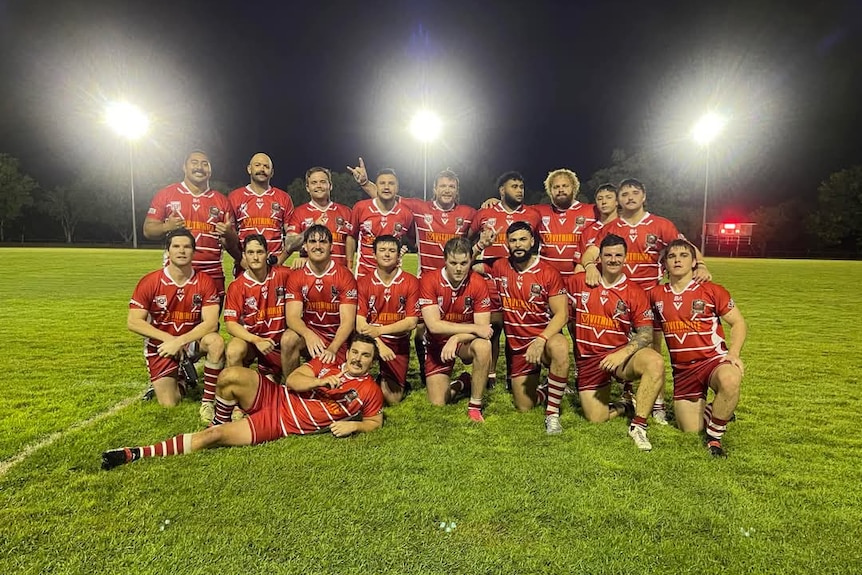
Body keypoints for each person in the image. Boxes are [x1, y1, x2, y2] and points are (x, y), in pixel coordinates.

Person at [100, 334, 384, 470]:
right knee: (229, 375)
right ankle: (220, 417)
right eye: (355, 352)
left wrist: (354, 426)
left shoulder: (369, 389)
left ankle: (134, 453)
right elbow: (294, 381)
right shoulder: (327, 363)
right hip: (277, 395)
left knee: (212, 437)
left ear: (372, 361)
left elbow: (374, 421)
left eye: (365, 356)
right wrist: (320, 382)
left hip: (279, 422)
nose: (358, 359)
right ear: (348, 352)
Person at [578, 178, 711, 423]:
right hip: (618, 296)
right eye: (624, 194)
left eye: (634, 192)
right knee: (620, 345)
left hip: (651, 297)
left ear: (644, 196)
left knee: (653, 349)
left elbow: (686, 247)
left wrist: (700, 264)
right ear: (619, 200)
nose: (630, 197)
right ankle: (627, 394)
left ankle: (657, 404)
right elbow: (591, 253)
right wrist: (589, 266)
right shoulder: (611, 227)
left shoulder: (660, 224)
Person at [351, 160, 477, 388]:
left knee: (465, 331)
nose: (447, 190)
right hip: (427, 282)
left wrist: (492, 202)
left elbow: (482, 227)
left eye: (452, 186)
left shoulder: (469, 213)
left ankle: (483, 371)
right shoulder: (419, 208)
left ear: (457, 190)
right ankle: (424, 370)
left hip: (457, 282)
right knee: (420, 332)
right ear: (435, 189)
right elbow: (388, 195)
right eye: (443, 186)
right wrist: (365, 183)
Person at [567, 234, 666, 451]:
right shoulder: (578, 282)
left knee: (655, 362)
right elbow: (565, 315)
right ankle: (625, 406)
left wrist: (622, 353)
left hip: (621, 357)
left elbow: (646, 333)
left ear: (625, 257)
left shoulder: (635, 292)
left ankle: (638, 425)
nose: (613, 260)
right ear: (600, 258)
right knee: (596, 418)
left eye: (618, 255)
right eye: (608, 255)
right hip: (589, 361)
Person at [650, 239, 746, 457]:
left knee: (730, 378)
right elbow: (655, 338)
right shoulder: (656, 295)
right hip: (683, 371)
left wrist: (733, 354)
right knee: (691, 430)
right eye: (672, 256)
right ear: (665, 264)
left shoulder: (712, 290)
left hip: (713, 361)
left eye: (684, 256)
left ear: (694, 262)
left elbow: (738, 322)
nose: (677, 260)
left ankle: (714, 439)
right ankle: (719, 409)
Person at [475, 222, 570, 434]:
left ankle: (552, 414)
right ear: (507, 244)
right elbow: (466, 265)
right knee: (524, 406)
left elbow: (562, 314)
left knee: (560, 346)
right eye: (513, 240)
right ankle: (551, 388)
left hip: (544, 340)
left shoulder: (548, 272)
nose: (518, 244)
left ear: (532, 241)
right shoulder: (499, 266)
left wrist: (541, 340)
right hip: (519, 348)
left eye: (523, 239)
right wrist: (480, 245)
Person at [127, 229, 225, 412]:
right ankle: (181, 382)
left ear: (194, 252)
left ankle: (208, 401)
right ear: (167, 251)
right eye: (176, 246)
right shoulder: (150, 281)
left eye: (187, 247)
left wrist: (179, 341)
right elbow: (133, 321)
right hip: (162, 345)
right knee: (170, 403)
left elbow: (211, 323)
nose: (181, 251)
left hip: (191, 341)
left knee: (216, 342)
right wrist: (169, 340)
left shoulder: (205, 281)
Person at [470, 171, 542, 389]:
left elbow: (540, 243)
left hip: (519, 278)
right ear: (502, 190)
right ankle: (490, 374)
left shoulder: (533, 214)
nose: (519, 190)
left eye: (521, 186)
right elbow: (468, 237)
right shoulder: (485, 213)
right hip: (490, 276)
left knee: (515, 328)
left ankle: (514, 375)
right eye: (514, 186)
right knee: (493, 326)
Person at [143, 150, 237, 298]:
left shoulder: (221, 201)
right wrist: (166, 227)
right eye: (194, 163)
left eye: (205, 164)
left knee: (212, 314)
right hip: (176, 273)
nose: (199, 167)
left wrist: (229, 234)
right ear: (184, 167)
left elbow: (231, 243)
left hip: (212, 274)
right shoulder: (166, 194)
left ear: (210, 170)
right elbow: (148, 230)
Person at [419, 237, 494, 421]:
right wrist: (473, 328)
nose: (459, 268)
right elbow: (434, 326)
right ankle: (462, 382)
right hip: (437, 344)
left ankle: (475, 405)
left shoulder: (478, 283)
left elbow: (484, 330)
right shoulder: (429, 280)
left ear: (470, 260)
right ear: (445, 260)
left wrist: (456, 338)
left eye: (464, 263)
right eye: (453, 263)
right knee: (439, 402)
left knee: (484, 346)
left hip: (464, 341)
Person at [219, 234, 292, 421]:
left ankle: (288, 389)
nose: (255, 257)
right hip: (254, 343)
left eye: (260, 252)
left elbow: (308, 275)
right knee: (234, 349)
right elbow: (231, 324)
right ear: (244, 255)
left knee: (267, 394)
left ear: (267, 253)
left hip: (278, 345)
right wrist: (256, 340)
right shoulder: (237, 286)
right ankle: (237, 401)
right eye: (250, 252)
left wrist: (302, 262)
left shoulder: (283, 274)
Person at [280, 224, 358, 376]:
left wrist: (333, 348)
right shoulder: (297, 276)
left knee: (332, 383)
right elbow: (292, 317)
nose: (317, 246)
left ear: (331, 246)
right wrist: (308, 334)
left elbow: (348, 322)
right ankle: (292, 385)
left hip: (338, 338)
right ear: (305, 246)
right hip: (311, 334)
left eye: (323, 242)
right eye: (312, 241)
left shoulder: (345, 276)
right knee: (288, 339)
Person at [356, 235, 420, 405]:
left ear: (398, 255)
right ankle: (368, 380)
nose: (386, 254)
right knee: (355, 384)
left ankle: (384, 379)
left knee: (392, 399)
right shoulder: (363, 283)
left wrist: (380, 330)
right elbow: (360, 323)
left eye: (392, 251)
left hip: (397, 343)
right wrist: (378, 341)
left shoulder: (411, 282)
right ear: (374, 254)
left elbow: (411, 322)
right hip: (370, 340)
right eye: (382, 250)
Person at [227, 152, 294, 277]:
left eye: (266, 166)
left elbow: (292, 237)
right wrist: (241, 260)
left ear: (272, 172)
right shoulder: (234, 197)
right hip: (245, 268)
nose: (262, 169)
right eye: (257, 165)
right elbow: (229, 236)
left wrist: (281, 259)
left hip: (274, 268)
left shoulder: (284, 198)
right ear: (249, 169)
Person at [284, 166, 355, 268]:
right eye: (314, 183)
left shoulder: (346, 212)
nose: (318, 186)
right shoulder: (299, 212)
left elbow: (351, 240)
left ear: (330, 185)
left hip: (339, 273)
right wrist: (311, 229)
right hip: (310, 273)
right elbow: (289, 244)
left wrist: (350, 266)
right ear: (307, 188)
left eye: (323, 182)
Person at [350, 168, 414, 279]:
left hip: (392, 277)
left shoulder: (406, 213)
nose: (386, 187)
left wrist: (403, 249)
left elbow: (415, 240)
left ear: (397, 188)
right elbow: (351, 236)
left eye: (391, 183)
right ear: (377, 186)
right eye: (382, 183)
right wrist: (349, 264)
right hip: (364, 275)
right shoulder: (361, 208)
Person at [534, 168, 597, 278]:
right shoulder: (538, 212)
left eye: (565, 186)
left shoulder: (592, 211)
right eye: (556, 187)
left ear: (574, 188)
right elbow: (515, 212)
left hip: (578, 279)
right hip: (547, 279)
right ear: (550, 191)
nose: (561, 190)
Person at [574, 183, 619, 271]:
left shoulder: (624, 226)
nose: (604, 202)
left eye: (609, 197)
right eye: (600, 199)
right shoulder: (587, 232)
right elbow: (579, 266)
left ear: (617, 201)